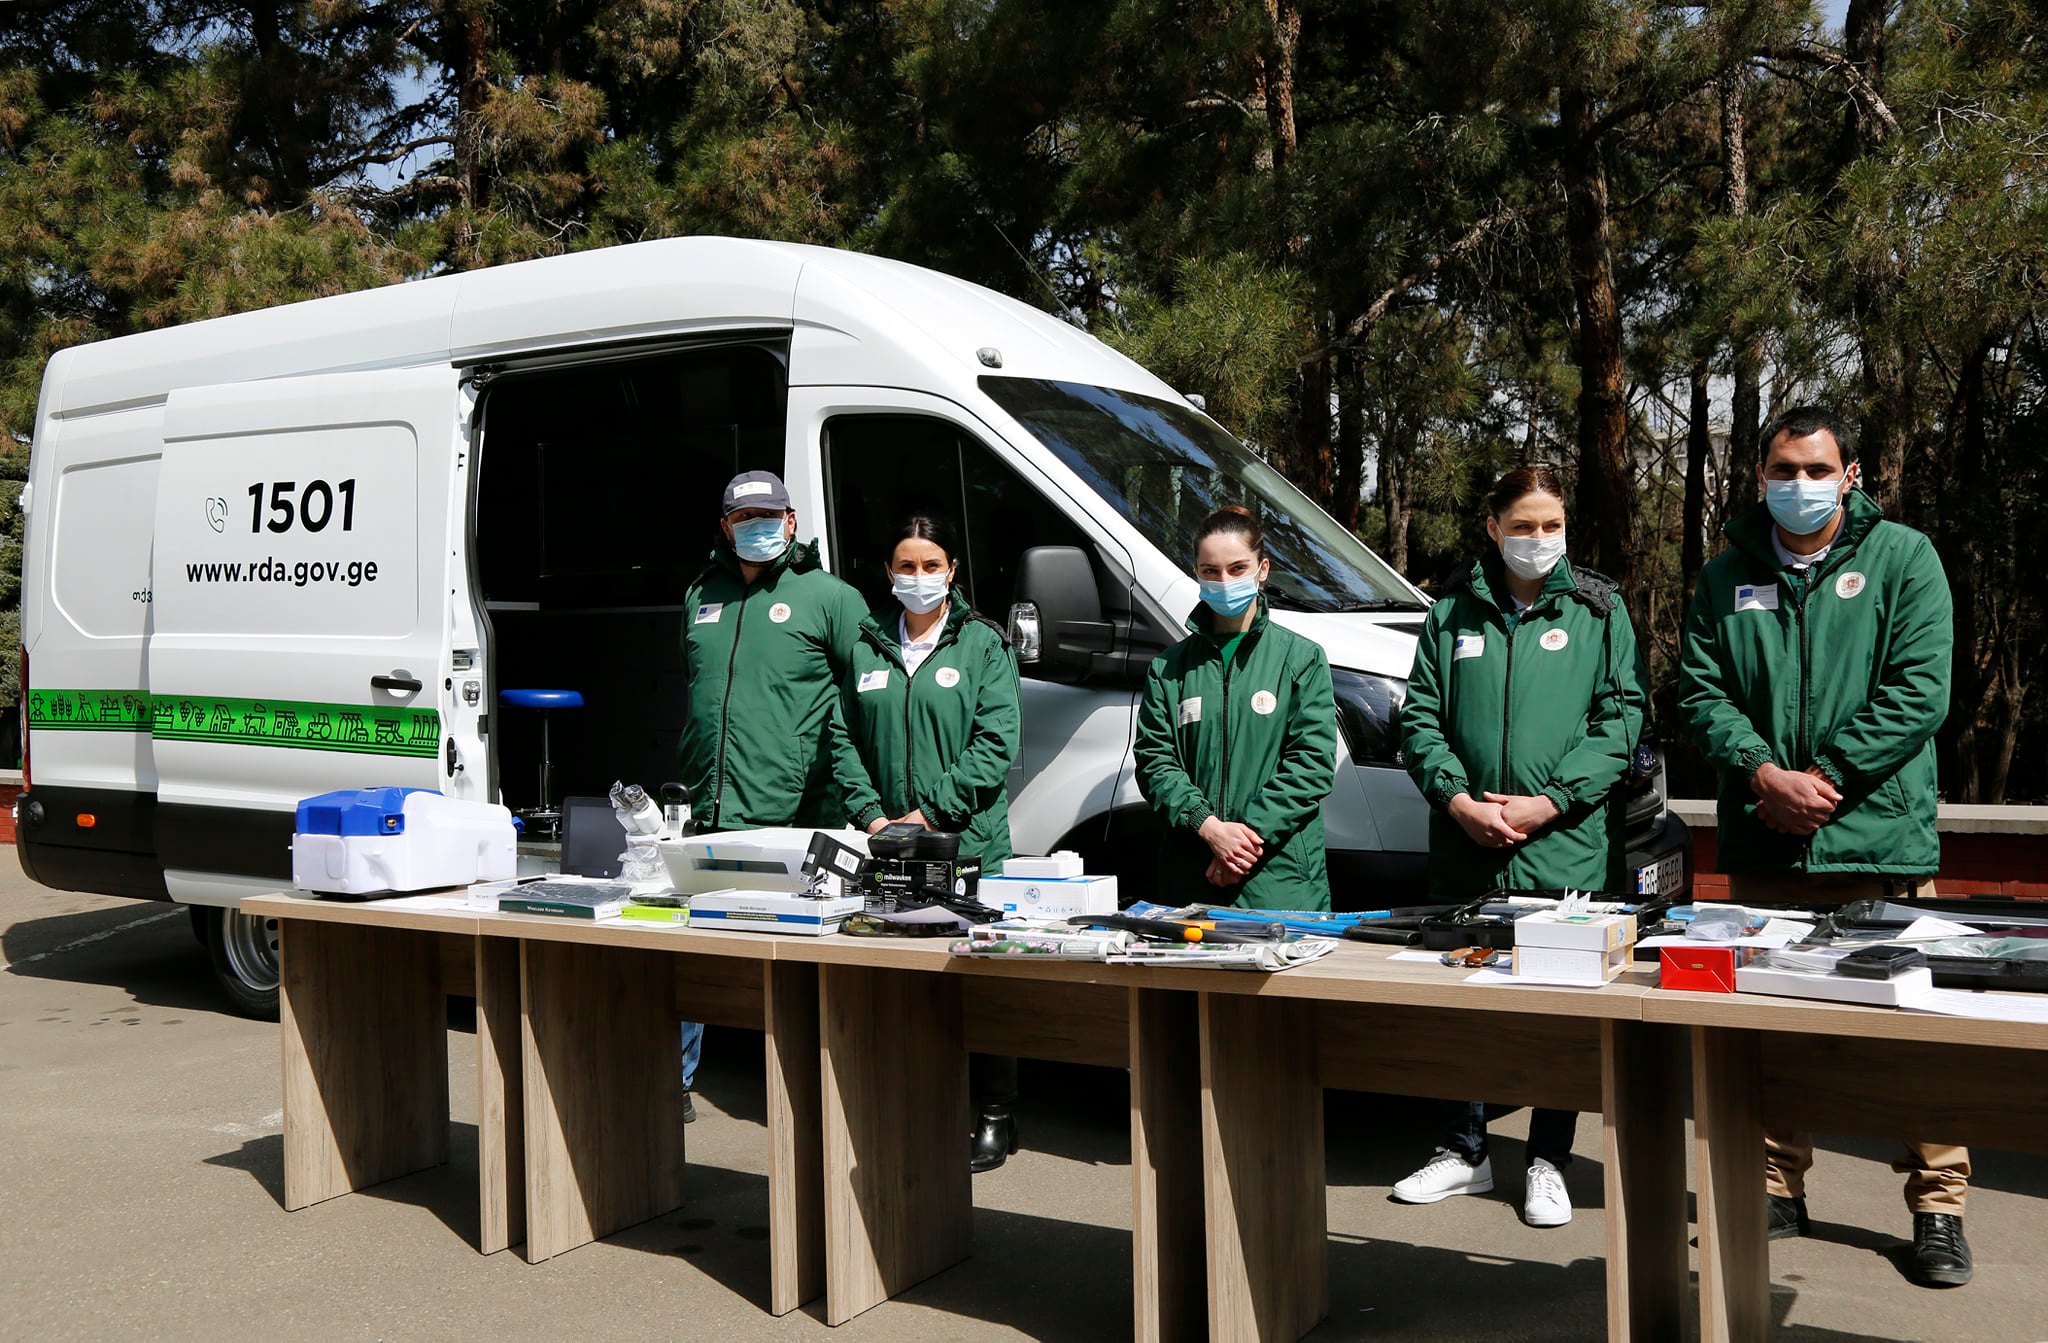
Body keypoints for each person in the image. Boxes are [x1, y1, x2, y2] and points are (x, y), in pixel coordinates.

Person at [1678, 406, 1969, 1287]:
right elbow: (1700, 693)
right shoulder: (1726, 574)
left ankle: (1939, 1206)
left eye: (1815, 469)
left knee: (1911, 1039)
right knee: (1768, 1035)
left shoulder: (1904, 558)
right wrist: (1763, 774)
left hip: (1876, 842)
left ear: (1850, 474)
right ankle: (1775, 1188)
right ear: (1759, 475)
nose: (1798, 484)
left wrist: (1825, 778)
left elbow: (1921, 690)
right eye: (1782, 468)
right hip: (1766, 843)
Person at [1393, 465, 1646, 1228]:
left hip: (1563, 848)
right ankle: (1462, 1150)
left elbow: (1621, 720)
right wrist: (1457, 799)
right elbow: (1420, 719)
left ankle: (1548, 1160)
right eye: (1523, 525)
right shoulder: (1451, 611)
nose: (1539, 538)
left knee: (1557, 1010)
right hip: (1466, 844)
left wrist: (1550, 801)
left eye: (1552, 525)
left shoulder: (1599, 608)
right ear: (1493, 528)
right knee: (1462, 1005)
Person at [830, 514, 1023, 1171]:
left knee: (977, 982)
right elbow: (841, 737)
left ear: (952, 571)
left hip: (966, 844)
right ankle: (922, 1110)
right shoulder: (867, 644)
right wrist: (873, 817)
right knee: (905, 985)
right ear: (889, 573)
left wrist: (928, 813)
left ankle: (995, 1113)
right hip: (887, 846)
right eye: (906, 566)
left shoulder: (982, 644)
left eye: (931, 565)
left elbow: (996, 742)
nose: (918, 577)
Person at [675, 470, 869, 1123]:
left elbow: (864, 701)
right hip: (712, 802)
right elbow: (699, 686)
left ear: (791, 521)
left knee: (796, 964)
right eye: (744, 517)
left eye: (769, 515)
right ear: (725, 527)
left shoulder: (830, 598)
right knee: (697, 950)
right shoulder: (701, 594)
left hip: (798, 812)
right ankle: (676, 1082)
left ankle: (811, 1093)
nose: (757, 526)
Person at [1133, 505, 1336, 911]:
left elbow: (1311, 765)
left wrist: (1243, 842)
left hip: (1279, 880)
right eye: (1210, 571)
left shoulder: (1301, 659)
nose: (1224, 581)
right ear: (1196, 573)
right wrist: (1208, 828)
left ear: (1262, 570)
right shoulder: (1169, 668)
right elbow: (1155, 762)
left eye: (1237, 568)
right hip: (1193, 876)